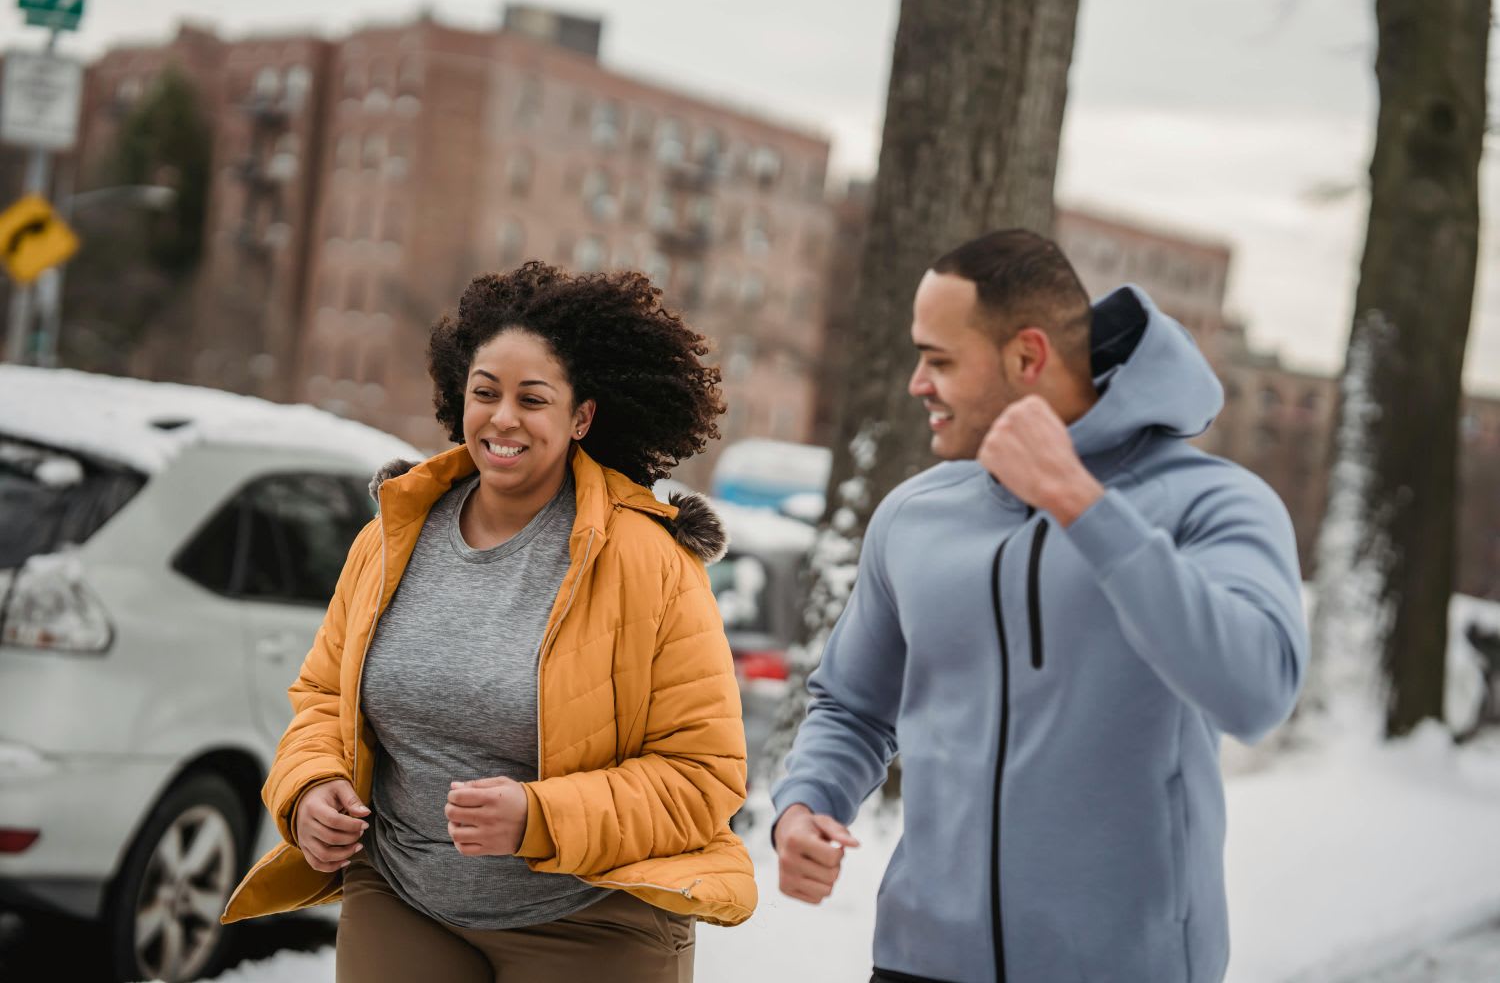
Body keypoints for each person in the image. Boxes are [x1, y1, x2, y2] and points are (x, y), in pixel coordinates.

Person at [772, 229, 1308, 983]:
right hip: (917, 966)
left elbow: (1257, 692)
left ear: (1027, 357)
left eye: (939, 360)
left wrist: (1081, 504)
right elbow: (853, 706)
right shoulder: (915, 513)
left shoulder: (1213, 502)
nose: (917, 384)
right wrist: (805, 803)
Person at [223, 262, 755, 982]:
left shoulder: (650, 560)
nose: (503, 418)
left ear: (581, 417)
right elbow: (322, 698)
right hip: (402, 895)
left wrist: (540, 817)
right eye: (485, 393)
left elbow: (701, 777)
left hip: (592, 918)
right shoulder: (391, 536)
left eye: (532, 399)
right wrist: (311, 784)